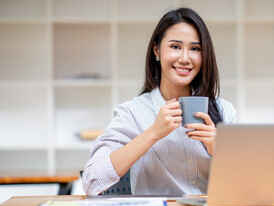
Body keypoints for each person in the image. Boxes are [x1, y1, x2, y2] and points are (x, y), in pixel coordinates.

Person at [82, 7, 237, 195]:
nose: (185, 58)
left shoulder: (224, 110)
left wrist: (221, 150)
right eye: (175, 47)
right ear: (157, 49)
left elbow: (247, 186)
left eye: (195, 49)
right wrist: (153, 133)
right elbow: (92, 181)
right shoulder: (132, 113)